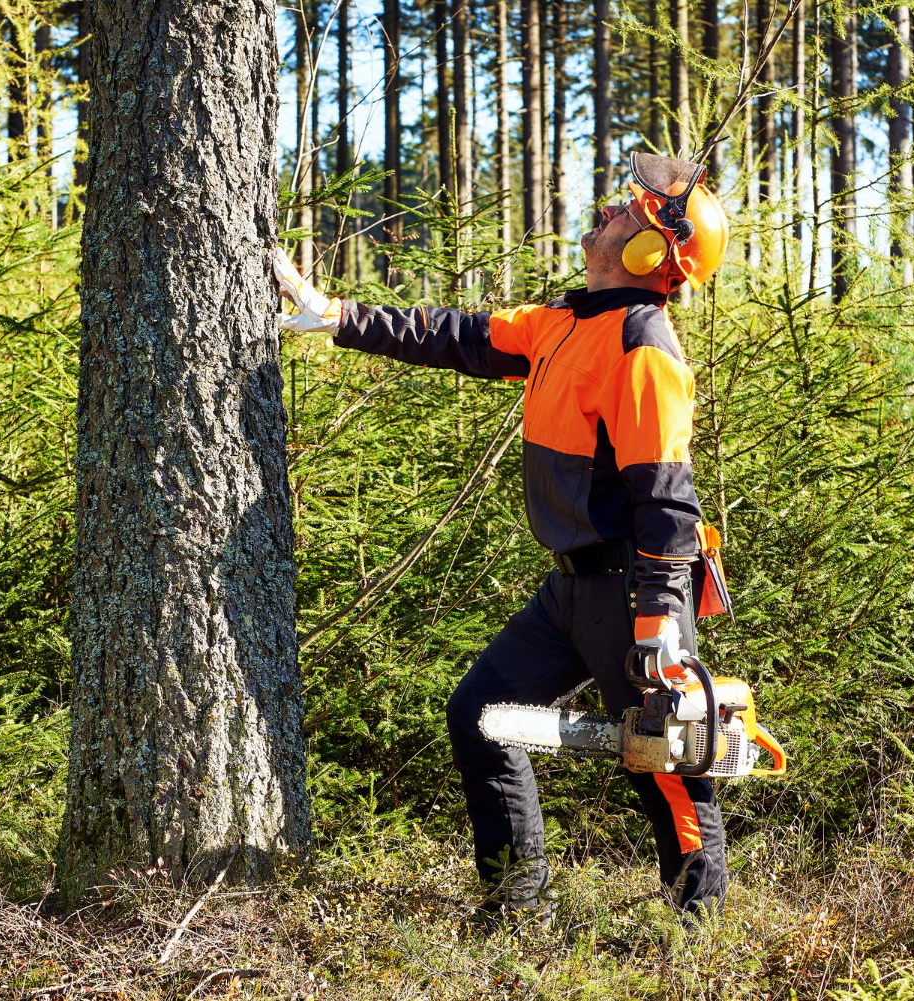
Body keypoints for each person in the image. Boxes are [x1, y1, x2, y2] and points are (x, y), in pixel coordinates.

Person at [274, 153, 732, 922]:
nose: (610, 212)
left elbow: (668, 500)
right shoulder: (565, 322)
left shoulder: (642, 345)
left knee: (669, 766)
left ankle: (701, 937)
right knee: (482, 713)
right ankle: (516, 908)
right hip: (574, 586)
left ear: (653, 251)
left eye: (629, 213)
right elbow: (458, 334)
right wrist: (339, 316)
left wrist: (658, 616)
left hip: (631, 589)